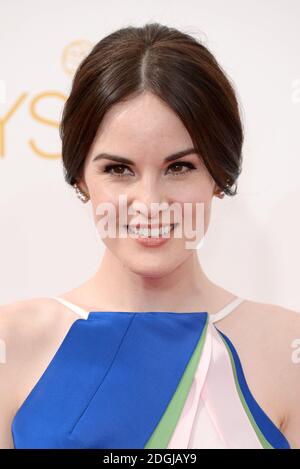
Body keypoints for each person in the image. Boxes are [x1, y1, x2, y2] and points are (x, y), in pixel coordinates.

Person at [0, 22, 299, 449]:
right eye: (118, 170)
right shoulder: (10, 344)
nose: (150, 203)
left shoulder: (289, 349)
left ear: (218, 174)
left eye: (179, 167)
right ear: (81, 179)